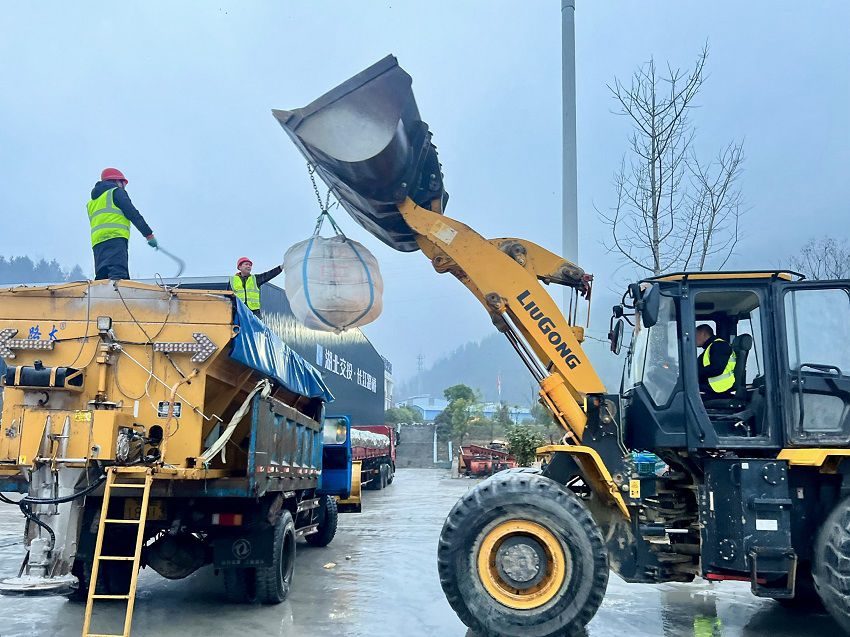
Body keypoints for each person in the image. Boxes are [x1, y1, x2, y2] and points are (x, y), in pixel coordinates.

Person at [88, 168, 157, 280]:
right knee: (119, 279)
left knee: (102, 279)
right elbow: (133, 213)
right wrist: (148, 234)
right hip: (115, 239)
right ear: (116, 181)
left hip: (98, 244)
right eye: (122, 183)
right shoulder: (116, 192)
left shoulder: (92, 202)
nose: (123, 186)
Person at [695, 324, 736, 398]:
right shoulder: (710, 348)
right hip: (713, 386)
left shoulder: (719, 345)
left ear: (702, 334)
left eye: (695, 335)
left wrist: (694, 373)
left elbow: (717, 368)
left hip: (719, 388)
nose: (693, 338)